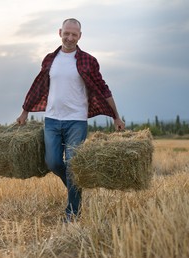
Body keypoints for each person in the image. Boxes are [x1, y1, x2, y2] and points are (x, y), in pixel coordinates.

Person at [16, 18, 125, 222]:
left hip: (76, 120)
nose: (70, 37)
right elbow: (38, 86)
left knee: (74, 165)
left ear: (80, 36)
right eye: (66, 33)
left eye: (74, 34)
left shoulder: (88, 61)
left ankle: (72, 213)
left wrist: (116, 116)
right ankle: (78, 189)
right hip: (52, 119)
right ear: (60, 32)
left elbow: (103, 88)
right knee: (53, 162)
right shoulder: (50, 59)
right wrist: (25, 111)